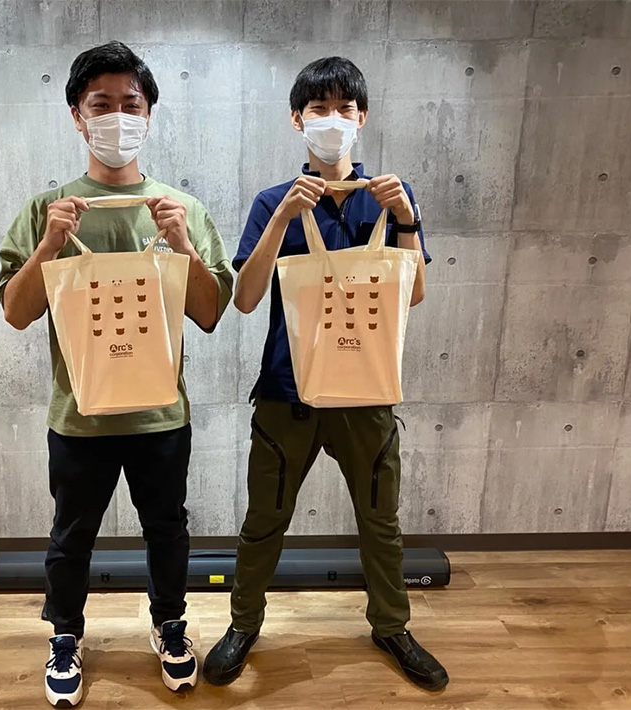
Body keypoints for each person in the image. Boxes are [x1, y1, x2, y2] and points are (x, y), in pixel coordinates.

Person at [0, 41, 234, 708]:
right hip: (79, 414)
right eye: (100, 105)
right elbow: (16, 312)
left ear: (149, 113)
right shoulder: (47, 209)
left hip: (161, 413)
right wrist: (48, 245)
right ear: (77, 116)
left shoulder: (181, 209)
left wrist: (183, 246)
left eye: (130, 103)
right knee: (72, 535)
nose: (117, 117)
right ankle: (65, 635)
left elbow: (210, 313)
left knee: (168, 529)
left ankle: (170, 625)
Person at [202, 56, 449, 692]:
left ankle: (391, 625)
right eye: (319, 109)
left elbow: (415, 295)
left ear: (362, 118)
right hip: (287, 393)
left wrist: (405, 219)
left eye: (344, 108)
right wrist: (282, 218)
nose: (332, 120)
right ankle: (243, 624)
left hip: (367, 392)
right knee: (264, 520)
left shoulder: (390, 197)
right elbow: (246, 299)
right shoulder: (272, 201)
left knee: (380, 520)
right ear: (297, 119)